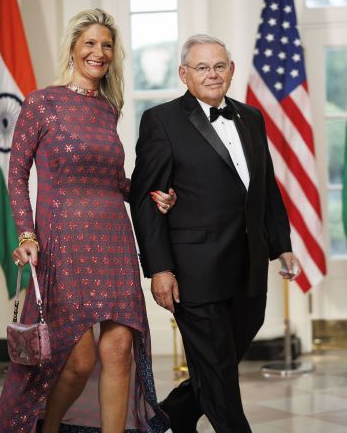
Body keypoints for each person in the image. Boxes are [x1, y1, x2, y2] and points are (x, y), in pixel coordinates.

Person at [0, 9, 174, 433]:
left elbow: (112, 182)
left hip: (114, 241)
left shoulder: (109, 109)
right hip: (64, 245)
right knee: (77, 361)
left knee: (119, 350)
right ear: (73, 48)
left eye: (107, 45)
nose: (99, 52)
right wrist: (26, 233)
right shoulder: (43, 102)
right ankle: (48, 427)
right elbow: (17, 174)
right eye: (90, 43)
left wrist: (149, 194)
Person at [130, 34, 302, 433]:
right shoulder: (161, 121)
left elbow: (265, 188)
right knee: (219, 371)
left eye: (219, 65)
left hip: (249, 265)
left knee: (219, 361)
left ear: (231, 70)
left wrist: (282, 246)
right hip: (194, 269)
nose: (212, 74)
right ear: (184, 74)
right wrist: (159, 268)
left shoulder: (251, 117)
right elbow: (146, 200)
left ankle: (172, 414)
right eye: (202, 67)